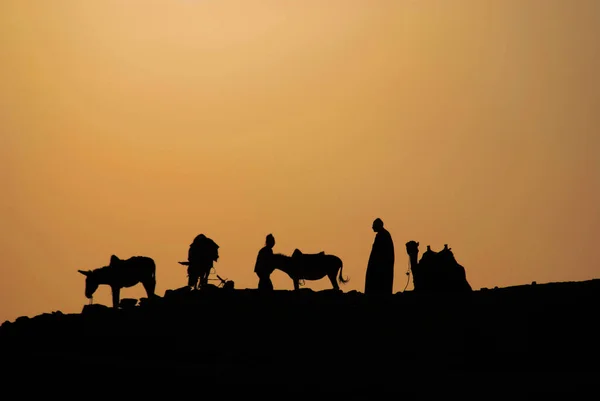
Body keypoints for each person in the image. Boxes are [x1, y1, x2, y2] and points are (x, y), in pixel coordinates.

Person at [364, 218, 395, 295]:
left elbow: (381, 253)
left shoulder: (383, 235)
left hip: (381, 267)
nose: (372, 227)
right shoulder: (382, 235)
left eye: (373, 225)